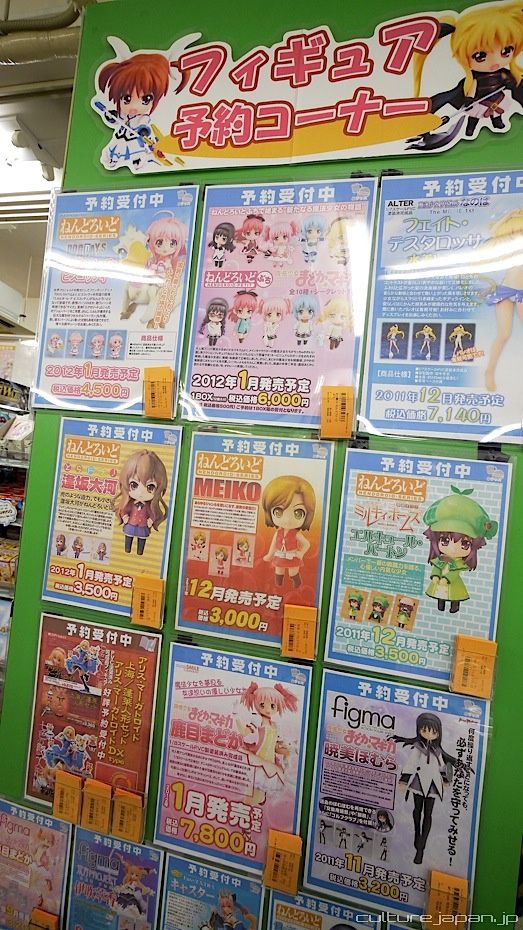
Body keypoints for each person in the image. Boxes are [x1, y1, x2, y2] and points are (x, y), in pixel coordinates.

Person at [411, 3, 523, 146]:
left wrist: (509, 82)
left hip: (497, 99)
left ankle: (497, 123)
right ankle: (470, 129)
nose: (495, 61)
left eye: (506, 51)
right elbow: (472, 88)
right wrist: (469, 99)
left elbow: (513, 82)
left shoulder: (504, 74)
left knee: (496, 114)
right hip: (480, 102)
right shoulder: (474, 79)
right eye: (480, 56)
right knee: (475, 117)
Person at [394, 713, 458, 864]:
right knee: (417, 811)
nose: (429, 734)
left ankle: (421, 847)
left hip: (433, 785)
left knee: (428, 814)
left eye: (433, 731)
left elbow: (442, 767)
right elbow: (411, 764)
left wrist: (445, 779)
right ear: (419, 730)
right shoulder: (418, 748)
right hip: (419, 782)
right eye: (425, 730)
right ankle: (417, 835)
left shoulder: (437, 751)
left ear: (438, 733)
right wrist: (404, 780)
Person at [423, 485, 497, 613]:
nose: (452, 548)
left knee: (454, 596)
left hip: (452, 583)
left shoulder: (459, 563)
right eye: (445, 540)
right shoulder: (441, 559)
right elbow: (437, 567)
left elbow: (454, 572)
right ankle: (440, 606)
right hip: (439, 582)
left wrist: (447, 578)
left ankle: (454, 607)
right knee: (439, 595)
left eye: (465, 543)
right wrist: (435, 575)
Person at [261, 475, 316, 589]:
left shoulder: (296, 534)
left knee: (293, 573)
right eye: (278, 512)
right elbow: (273, 545)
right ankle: (278, 586)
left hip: (292, 555)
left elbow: (306, 544)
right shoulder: (278, 532)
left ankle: (297, 585)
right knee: (278, 571)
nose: (287, 520)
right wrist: (270, 555)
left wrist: (301, 553)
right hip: (280, 555)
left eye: (298, 513)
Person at [113, 450, 168, 555]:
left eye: (150, 487)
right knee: (128, 538)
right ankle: (127, 549)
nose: (141, 492)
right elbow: (125, 510)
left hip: (143, 526)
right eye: (134, 485)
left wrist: (151, 520)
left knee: (142, 540)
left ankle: (140, 551)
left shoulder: (149, 506)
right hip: (131, 524)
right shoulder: (130, 504)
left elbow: (152, 513)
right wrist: (124, 516)